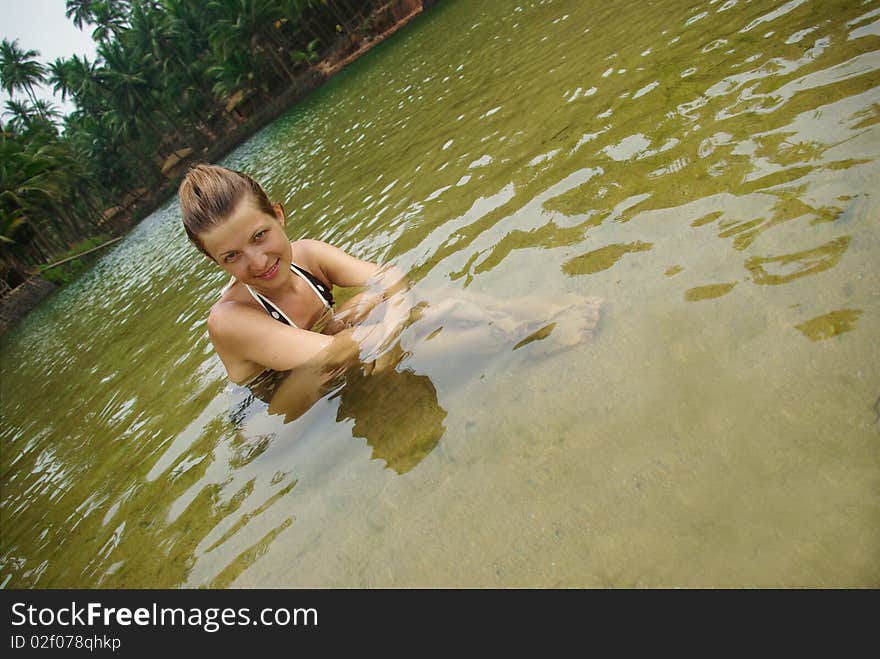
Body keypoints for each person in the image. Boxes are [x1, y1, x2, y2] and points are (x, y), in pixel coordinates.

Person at [180, 163, 603, 428]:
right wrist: (397, 324)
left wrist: (395, 310)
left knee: (383, 307)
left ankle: (532, 313)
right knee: (352, 348)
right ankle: (527, 332)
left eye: (260, 235)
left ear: (278, 214)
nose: (256, 262)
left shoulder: (308, 254)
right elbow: (329, 354)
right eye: (232, 256)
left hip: (327, 349)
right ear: (215, 262)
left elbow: (391, 278)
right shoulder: (228, 319)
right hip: (276, 415)